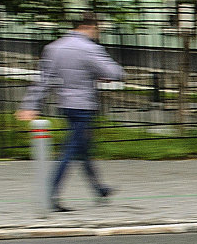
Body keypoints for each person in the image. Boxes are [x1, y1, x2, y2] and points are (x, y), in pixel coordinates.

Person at [16, 13, 125, 212]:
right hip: (84, 107)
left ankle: (99, 189)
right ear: (90, 27)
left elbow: (43, 80)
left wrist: (30, 104)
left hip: (66, 105)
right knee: (71, 150)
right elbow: (115, 73)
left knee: (82, 148)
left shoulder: (55, 48)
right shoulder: (90, 49)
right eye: (97, 30)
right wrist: (99, 75)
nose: (97, 34)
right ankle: (50, 194)